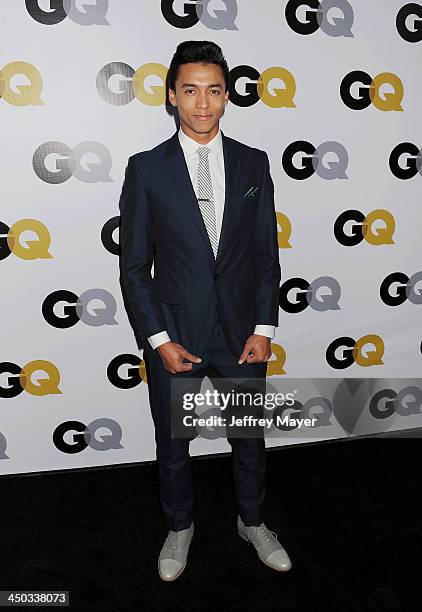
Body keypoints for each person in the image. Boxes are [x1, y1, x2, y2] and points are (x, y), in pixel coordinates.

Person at [119, 40, 291, 581]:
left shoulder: (253, 163)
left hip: (243, 334)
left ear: (226, 97)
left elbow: (266, 254)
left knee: (249, 437)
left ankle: (253, 521)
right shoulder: (146, 170)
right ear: (172, 96)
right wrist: (158, 340)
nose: (202, 103)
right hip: (178, 335)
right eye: (190, 90)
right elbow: (133, 268)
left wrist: (264, 327)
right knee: (173, 442)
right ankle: (179, 527)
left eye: (213, 91)